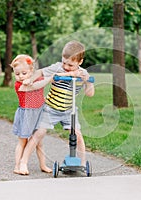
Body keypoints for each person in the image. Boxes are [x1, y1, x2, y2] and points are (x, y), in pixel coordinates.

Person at [19, 40, 95, 174]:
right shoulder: (58, 68)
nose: (66, 66)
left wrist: (88, 82)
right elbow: (41, 72)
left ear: (80, 62)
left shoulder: (83, 73)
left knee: (78, 135)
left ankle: (82, 163)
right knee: (39, 133)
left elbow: (90, 94)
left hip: (69, 111)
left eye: (70, 65)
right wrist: (30, 80)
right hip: (50, 108)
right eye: (64, 62)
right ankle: (23, 162)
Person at [10, 54, 53, 175]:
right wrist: (44, 80)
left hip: (39, 112)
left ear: (31, 70)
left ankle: (43, 164)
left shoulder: (37, 78)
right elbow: (34, 86)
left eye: (24, 73)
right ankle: (18, 165)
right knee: (22, 141)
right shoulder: (20, 85)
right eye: (17, 74)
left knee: (39, 142)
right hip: (26, 114)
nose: (20, 76)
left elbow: (44, 77)